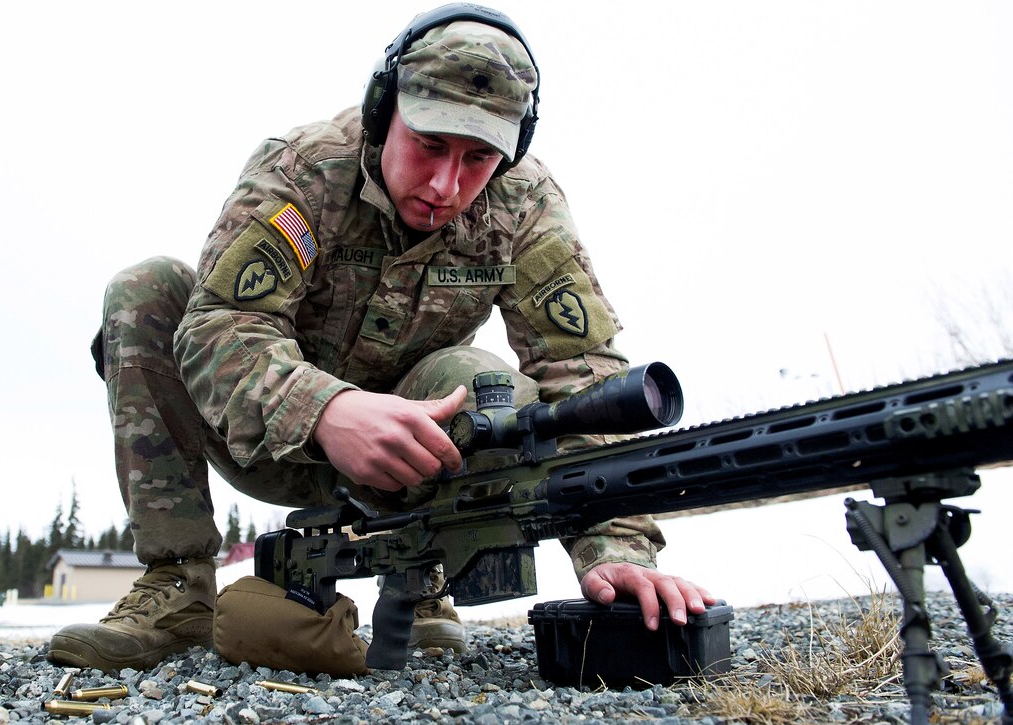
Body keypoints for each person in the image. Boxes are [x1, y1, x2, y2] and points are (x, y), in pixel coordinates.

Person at [48, 3, 715, 673]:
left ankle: (423, 571)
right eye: (428, 145)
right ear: (382, 109)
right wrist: (327, 410)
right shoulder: (306, 172)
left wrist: (618, 548)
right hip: (269, 436)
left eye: (478, 157)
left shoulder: (525, 203)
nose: (446, 184)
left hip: (417, 454)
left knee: (492, 386)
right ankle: (177, 585)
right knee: (146, 290)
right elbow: (221, 323)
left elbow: (584, 371)